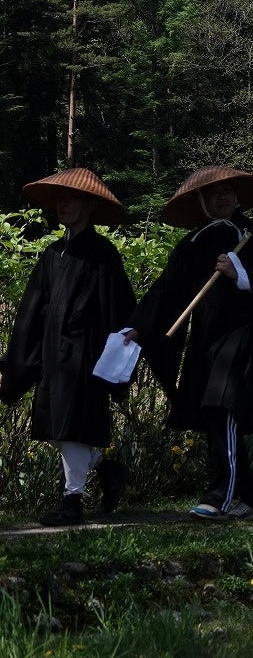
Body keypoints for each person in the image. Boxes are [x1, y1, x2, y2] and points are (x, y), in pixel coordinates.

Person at [125, 166, 253, 521]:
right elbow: (165, 290)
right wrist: (138, 328)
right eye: (214, 193)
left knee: (223, 408)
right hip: (204, 341)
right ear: (201, 200)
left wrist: (243, 275)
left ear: (237, 197)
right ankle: (251, 498)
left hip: (241, 337)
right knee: (211, 414)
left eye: (229, 192)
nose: (223, 198)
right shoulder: (192, 243)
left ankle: (221, 494)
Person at [1, 169, 136, 527]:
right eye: (60, 199)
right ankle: (106, 469)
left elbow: (119, 307)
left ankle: (72, 500)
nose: (63, 204)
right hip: (52, 354)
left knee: (72, 426)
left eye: (71, 198)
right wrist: (22, 356)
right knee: (58, 426)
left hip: (85, 354)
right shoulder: (52, 254)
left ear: (89, 205)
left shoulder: (102, 254)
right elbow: (34, 308)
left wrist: (116, 356)